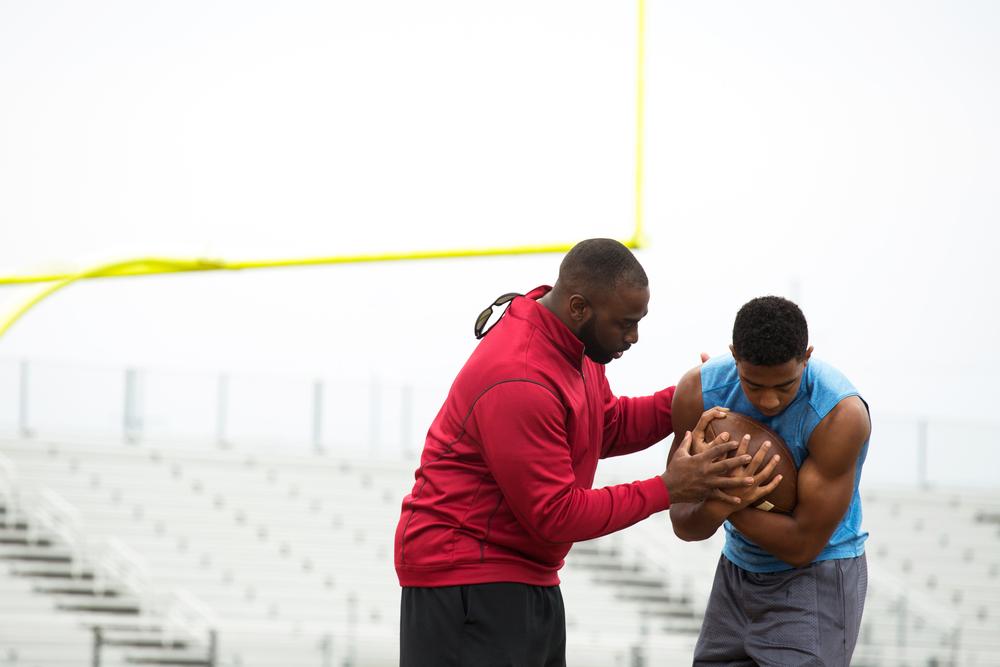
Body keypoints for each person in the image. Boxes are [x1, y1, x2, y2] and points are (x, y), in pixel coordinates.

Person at [393, 239, 777, 667]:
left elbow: (606, 426)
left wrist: (698, 392)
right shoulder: (520, 378)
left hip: (519, 576)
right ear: (579, 307)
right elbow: (555, 514)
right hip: (467, 579)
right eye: (625, 324)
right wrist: (670, 487)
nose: (633, 337)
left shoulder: (575, 346)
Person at [668, 295, 872, 666]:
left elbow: (801, 546)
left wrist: (724, 492)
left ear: (806, 357)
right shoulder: (699, 392)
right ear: (734, 355)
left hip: (815, 574)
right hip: (737, 568)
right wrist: (721, 497)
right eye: (752, 383)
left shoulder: (839, 414)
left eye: (784, 385)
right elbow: (684, 523)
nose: (769, 400)